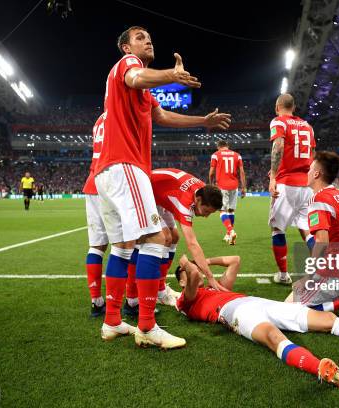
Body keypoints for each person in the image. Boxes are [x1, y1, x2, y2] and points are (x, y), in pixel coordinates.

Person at [93, 25, 231, 348]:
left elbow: (162, 116)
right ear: (127, 47)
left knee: (123, 247)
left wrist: (203, 122)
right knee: (157, 238)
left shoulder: (142, 90)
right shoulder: (129, 67)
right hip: (126, 165)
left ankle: (112, 321)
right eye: (139, 38)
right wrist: (173, 74)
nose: (147, 40)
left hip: (108, 172)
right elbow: (137, 78)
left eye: (149, 37)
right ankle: (146, 326)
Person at [175, 255, 339, 388]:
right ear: (182, 281)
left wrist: (205, 263)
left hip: (257, 301)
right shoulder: (185, 300)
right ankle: (320, 369)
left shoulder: (216, 287)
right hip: (235, 314)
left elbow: (235, 259)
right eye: (187, 273)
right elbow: (193, 273)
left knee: (328, 320)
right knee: (274, 338)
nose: (193, 272)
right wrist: (189, 263)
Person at [286, 151, 339, 320]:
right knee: (295, 293)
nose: (307, 172)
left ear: (316, 173)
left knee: (288, 310)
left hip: (333, 273)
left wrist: (308, 277)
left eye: (309, 169)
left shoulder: (319, 200)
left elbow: (322, 242)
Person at [134, 168, 223, 310]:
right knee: (165, 238)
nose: (206, 216)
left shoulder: (203, 191)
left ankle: (160, 289)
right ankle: (158, 292)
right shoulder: (185, 202)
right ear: (198, 200)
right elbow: (192, 244)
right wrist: (210, 277)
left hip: (160, 195)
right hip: (145, 195)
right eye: (206, 211)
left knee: (174, 237)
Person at [268, 93, 316, 285]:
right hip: (306, 184)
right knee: (307, 229)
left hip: (286, 184)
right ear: (294, 107)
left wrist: (273, 176)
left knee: (278, 229)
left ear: (277, 106)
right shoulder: (307, 126)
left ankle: (283, 275)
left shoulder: (278, 122)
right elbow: (312, 154)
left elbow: (278, 147)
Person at [83, 114, 108, 318]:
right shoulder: (122, 112)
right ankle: (133, 301)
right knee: (128, 244)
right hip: (111, 181)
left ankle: (96, 301)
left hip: (92, 182)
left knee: (96, 246)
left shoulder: (98, 120)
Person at [209, 141, 246, 245]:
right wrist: (243, 187)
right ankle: (228, 235)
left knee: (222, 211)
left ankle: (231, 231)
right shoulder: (237, 155)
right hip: (234, 186)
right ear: (227, 146)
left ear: (218, 147)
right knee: (231, 211)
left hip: (222, 186)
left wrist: (211, 184)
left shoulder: (215, 155)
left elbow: (211, 172)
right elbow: (242, 172)